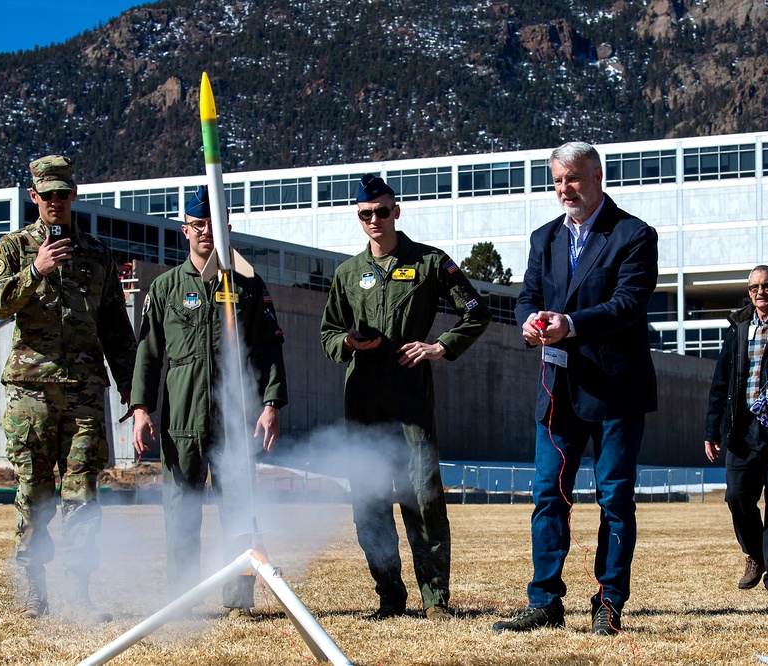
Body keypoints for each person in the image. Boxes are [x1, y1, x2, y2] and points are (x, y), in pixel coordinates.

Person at [493, 141, 659, 636]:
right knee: (548, 496)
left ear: (597, 176)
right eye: (558, 180)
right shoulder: (544, 237)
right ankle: (545, 601)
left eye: (574, 179)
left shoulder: (633, 235)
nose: (565, 189)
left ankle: (609, 601)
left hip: (615, 394)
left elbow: (629, 303)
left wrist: (570, 323)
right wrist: (529, 323)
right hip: (557, 392)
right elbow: (527, 297)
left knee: (615, 500)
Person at [319, 174, 491, 621]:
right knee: (370, 502)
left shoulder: (431, 263)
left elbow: (475, 312)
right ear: (358, 219)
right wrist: (349, 344)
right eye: (365, 214)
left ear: (396, 210)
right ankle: (390, 598)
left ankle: (435, 601)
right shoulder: (347, 274)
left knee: (423, 498)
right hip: (363, 404)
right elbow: (328, 334)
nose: (374, 220)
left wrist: (440, 346)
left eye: (381, 211)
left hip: (411, 401)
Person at [0, 154, 137, 622]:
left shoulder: (97, 254)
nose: (54, 201)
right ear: (33, 197)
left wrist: (133, 385)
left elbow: (115, 325)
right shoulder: (13, 248)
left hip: (86, 393)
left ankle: (81, 597)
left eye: (62, 193)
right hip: (31, 394)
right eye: (46, 194)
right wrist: (37, 270)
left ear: (74, 194)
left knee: (83, 496)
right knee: (35, 491)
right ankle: (34, 592)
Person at [130, 185, 288, 619]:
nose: (206, 233)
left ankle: (239, 603)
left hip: (233, 419)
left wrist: (271, 402)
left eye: (213, 226)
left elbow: (269, 346)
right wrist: (142, 410)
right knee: (181, 515)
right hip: (181, 421)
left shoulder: (246, 286)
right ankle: (184, 600)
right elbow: (147, 354)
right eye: (198, 226)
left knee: (239, 511)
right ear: (185, 230)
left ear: (226, 229)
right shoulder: (164, 289)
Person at [704, 265, 768, 595]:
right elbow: (720, 380)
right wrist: (711, 429)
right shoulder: (738, 327)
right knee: (737, 496)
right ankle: (755, 555)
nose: (760, 292)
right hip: (741, 428)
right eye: (754, 288)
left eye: (766, 286)